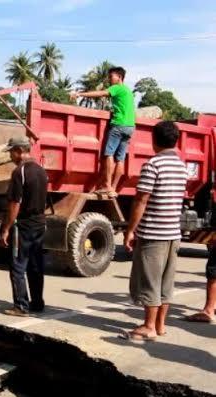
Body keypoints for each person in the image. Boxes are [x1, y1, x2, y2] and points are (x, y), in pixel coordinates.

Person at [123, 121, 188, 341]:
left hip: (153, 234)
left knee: (150, 280)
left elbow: (141, 200)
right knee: (166, 282)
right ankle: (160, 325)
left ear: (154, 140)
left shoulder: (152, 165)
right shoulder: (181, 166)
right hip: (173, 233)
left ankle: (149, 326)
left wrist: (130, 230)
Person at [0, 136, 49, 317]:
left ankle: (21, 306)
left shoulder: (19, 172)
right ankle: (37, 303)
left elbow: (15, 203)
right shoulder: (41, 170)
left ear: (19, 151)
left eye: (11, 152)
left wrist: (5, 228)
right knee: (36, 265)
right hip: (39, 223)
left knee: (17, 266)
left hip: (24, 225)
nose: (10, 156)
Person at [71, 67, 135, 197]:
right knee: (120, 159)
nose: (109, 79)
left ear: (119, 77)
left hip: (118, 125)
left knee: (108, 154)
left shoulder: (117, 88)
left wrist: (80, 94)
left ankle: (107, 186)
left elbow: (101, 93)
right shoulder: (128, 91)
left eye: (111, 77)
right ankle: (113, 188)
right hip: (130, 127)